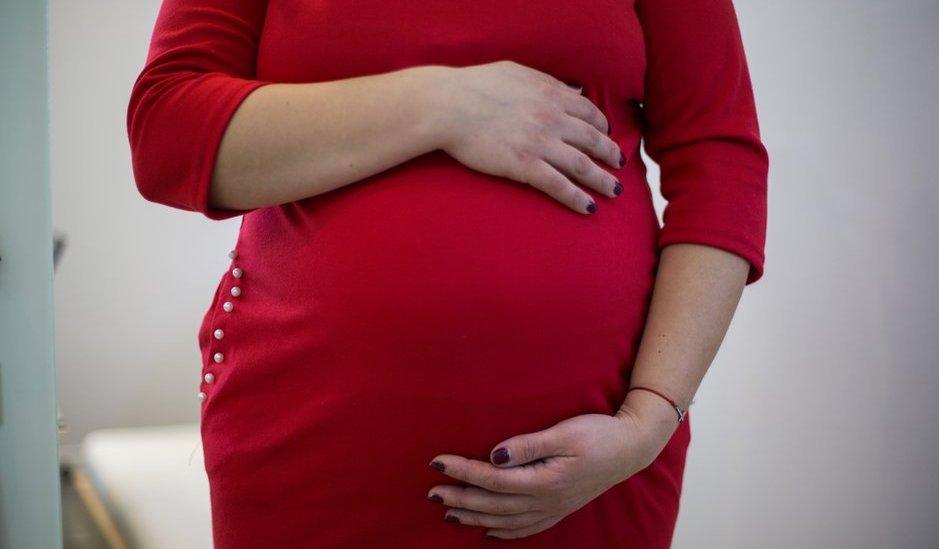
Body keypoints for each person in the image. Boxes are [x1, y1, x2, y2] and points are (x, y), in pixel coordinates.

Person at [126, 0, 768, 547]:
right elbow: (169, 133)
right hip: (312, 449)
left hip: (595, 467)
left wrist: (649, 420)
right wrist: (441, 104)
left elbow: (718, 157)